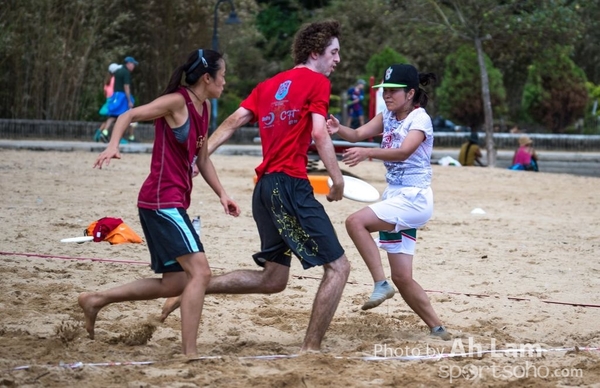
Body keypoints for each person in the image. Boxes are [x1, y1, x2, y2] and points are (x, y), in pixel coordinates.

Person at [160, 20, 351, 353]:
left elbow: (232, 122)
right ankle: (311, 349)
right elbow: (319, 134)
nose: (337, 60)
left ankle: (194, 288)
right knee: (339, 267)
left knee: (273, 280)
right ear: (315, 52)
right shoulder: (317, 82)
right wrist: (337, 179)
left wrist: (196, 157)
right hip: (289, 186)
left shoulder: (268, 85)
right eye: (334, 53)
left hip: (264, 190)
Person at [78, 49, 241, 356]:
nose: (225, 81)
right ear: (207, 78)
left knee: (173, 284)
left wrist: (222, 193)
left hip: (171, 201)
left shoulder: (203, 108)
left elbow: (202, 159)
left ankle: (96, 299)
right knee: (201, 274)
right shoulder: (176, 102)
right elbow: (128, 114)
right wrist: (113, 145)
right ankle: (190, 354)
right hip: (160, 200)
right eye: (223, 75)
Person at [326, 64, 451, 340]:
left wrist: (368, 154)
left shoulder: (420, 119)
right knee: (403, 277)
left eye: (393, 91)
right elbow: (358, 134)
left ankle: (379, 283)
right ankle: (438, 328)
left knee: (355, 221)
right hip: (395, 197)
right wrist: (338, 128)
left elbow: (405, 152)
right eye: (385, 90)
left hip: (414, 198)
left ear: (410, 93)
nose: (386, 95)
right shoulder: (387, 115)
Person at [104, 56, 139, 143]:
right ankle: (127, 137)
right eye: (133, 64)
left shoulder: (118, 71)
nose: (133, 66)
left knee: (113, 115)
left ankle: (104, 132)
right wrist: (129, 100)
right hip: (123, 96)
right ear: (129, 64)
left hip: (116, 95)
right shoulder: (126, 72)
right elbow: (126, 87)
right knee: (127, 115)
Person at [94, 63, 122, 142]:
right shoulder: (115, 79)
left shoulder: (108, 80)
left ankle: (99, 132)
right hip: (114, 100)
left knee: (110, 119)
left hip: (108, 100)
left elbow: (105, 92)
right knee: (115, 118)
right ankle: (107, 134)